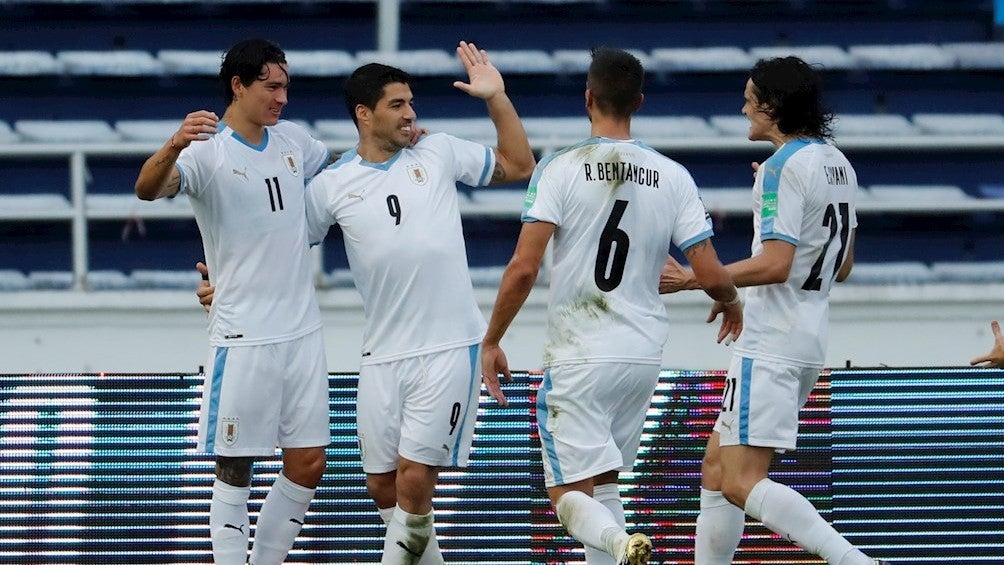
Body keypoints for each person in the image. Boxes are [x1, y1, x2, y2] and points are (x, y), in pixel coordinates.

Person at [479, 48, 743, 565]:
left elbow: (524, 268)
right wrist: (731, 300)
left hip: (581, 352)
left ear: (588, 98)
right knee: (603, 486)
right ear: (639, 101)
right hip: (641, 355)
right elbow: (710, 272)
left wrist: (492, 339)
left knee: (567, 496)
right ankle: (620, 546)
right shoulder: (673, 174)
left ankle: (623, 543)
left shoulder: (560, 167)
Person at [301, 41, 534, 564]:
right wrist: (222, 282)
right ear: (364, 114)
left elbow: (520, 165)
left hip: (449, 346)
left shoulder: (439, 150)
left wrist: (496, 97)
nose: (411, 114)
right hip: (382, 354)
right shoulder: (332, 186)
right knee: (384, 486)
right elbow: (284, 248)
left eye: (411, 103)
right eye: (397, 105)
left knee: (413, 478)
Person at [659, 56, 888, 565]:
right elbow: (843, 266)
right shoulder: (838, 164)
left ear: (773, 105)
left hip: (771, 340)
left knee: (741, 482)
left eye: (749, 98)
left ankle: (856, 561)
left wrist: (697, 278)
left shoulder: (782, 169)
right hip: (806, 336)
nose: (743, 108)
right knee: (716, 471)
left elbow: (777, 264)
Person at [135, 38, 334, 565]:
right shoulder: (207, 151)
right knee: (235, 466)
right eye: (271, 87)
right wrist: (174, 143)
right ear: (238, 86)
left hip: (302, 330)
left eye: (286, 86)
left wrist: (401, 143)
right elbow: (147, 189)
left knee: (309, 461)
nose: (282, 98)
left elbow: (337, 167)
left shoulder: (293, 140)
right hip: (244, 333)